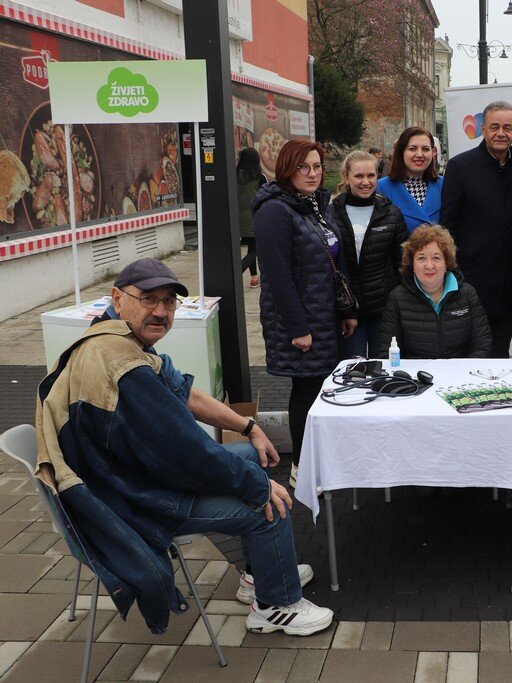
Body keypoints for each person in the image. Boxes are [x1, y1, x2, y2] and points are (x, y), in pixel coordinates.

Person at [35, 258, 333, 636]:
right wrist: (257, 487)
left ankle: (263, 575)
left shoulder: (116, 339)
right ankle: (277, 605)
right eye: (148, 299)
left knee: (247, 457)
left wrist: (249, 427)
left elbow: (186, 395)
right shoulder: (125, 366)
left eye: (168, 302)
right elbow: (187, 454)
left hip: (122, 478)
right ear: (117, 298)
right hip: (130, 500)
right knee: (265, 504)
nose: (160, 311)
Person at [254, 139, 357, 487]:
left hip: (325, 314)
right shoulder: (274, 211)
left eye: (317, 167)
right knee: (307, 390)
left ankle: (318, 461)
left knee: (321, 387)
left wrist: (345, 310)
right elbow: (277, 277)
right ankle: (302, 467)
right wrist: (298, 328)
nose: (313, 174)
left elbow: (334, 262)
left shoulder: (315, 205)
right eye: (304, 167)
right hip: (300, 319)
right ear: (287, 169)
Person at [441, 100, 512, 357]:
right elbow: (448, 226)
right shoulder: (460, 167)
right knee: (467, 355)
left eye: (507, 127)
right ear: (483, 128)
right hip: (470, 281)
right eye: (494, 126)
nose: (500, 133)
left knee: (499, 355)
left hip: (508, 286)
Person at [328, 150, 406, 359]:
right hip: (348, 312)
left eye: (371, 176)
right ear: (346, 177)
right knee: (353, 371)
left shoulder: (391, 213)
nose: (365, 182)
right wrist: (345, 310)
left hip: (383, 309)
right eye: (359, 176)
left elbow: (401, 264)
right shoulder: (331, 214)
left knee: (385, 370)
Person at [373, 224, 492, 358]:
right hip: (415, 376)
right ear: (412, 264)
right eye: (421, 258)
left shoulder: (467, 294)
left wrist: (465, 373)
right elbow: (386, 351)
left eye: (436, 258)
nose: (429, 265)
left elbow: (482, 344)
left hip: (459, 374)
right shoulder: (397, 298)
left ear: (447, 263)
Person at [376, 126, 444, 234]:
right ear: (401, 152)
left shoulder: (444, 185)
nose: (419, 155)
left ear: (433, 152)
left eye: (425, 149)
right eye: (412, 149)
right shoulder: (381, 187)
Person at [236, 147, 267, 288]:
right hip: (255, 217)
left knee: (251, 247)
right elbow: (266, 197)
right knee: (255, 250)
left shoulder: (234, 175)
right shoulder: (259, 177)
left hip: (238, 218)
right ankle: (236, 273)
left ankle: (254, 278)